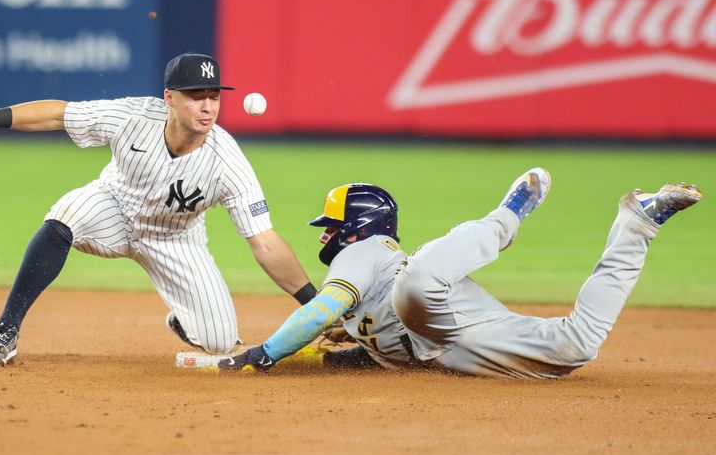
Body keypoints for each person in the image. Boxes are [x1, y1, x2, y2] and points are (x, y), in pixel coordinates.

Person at [0, 52, 317, 366]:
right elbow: (58, 114)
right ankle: (5, 331)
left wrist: (316, 306)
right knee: (65, 216)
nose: (207, 106)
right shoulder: (134, 116)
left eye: (213, 96)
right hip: (113, 207)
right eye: (195, 95)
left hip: (176, 240)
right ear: (169, 98)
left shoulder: (228, 163)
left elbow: (264, 242)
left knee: (219, 342)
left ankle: (184, 318)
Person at [218, 168, 703, 378]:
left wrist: (265, 353)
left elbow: (319, 310)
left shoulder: (362, 251)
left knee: (420, 277)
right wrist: (334, 357)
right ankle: (639, 221)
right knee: (577, 347)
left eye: (331, 227)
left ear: (355, 228)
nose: (324, 237)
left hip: (431, 305)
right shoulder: (355, 301)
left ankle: (509, 212)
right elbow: (368, 354)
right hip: (454, 347)